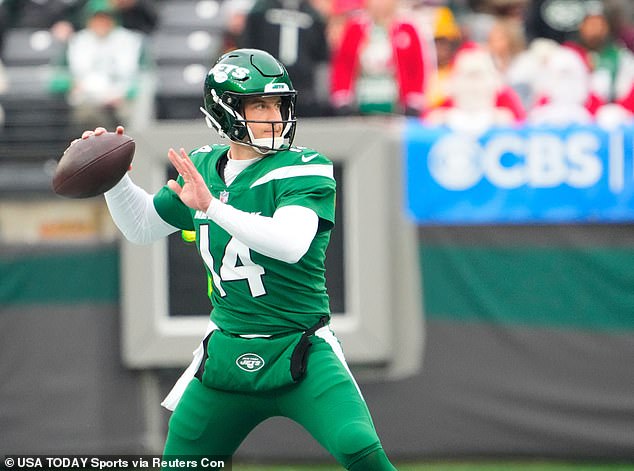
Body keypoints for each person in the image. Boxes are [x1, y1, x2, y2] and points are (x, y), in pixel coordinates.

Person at [82, 49, 397, 470]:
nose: (275, 116)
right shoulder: (203, 167)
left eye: (278, 104)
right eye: (259, 105)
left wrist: (212, 207)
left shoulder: (305, 167)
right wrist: (113, 179)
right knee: (183, 460)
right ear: (225, 112)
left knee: (358, 446)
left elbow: (290, 242)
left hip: (299, 348)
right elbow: (141, 227)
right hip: (227, 351)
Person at [49, 0, 150, 133]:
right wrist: (71, 83)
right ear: (88, 20)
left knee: (131, 112)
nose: (101, 23)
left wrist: (125, 93)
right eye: (97, 19)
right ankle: (105, 145)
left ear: (114, 19)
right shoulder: (76, 42)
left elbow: (145, 77)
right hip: (88, 100)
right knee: (86, 113)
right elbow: (55, 80)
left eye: (105, 18)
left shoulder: (132, 41)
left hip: (123, 100)